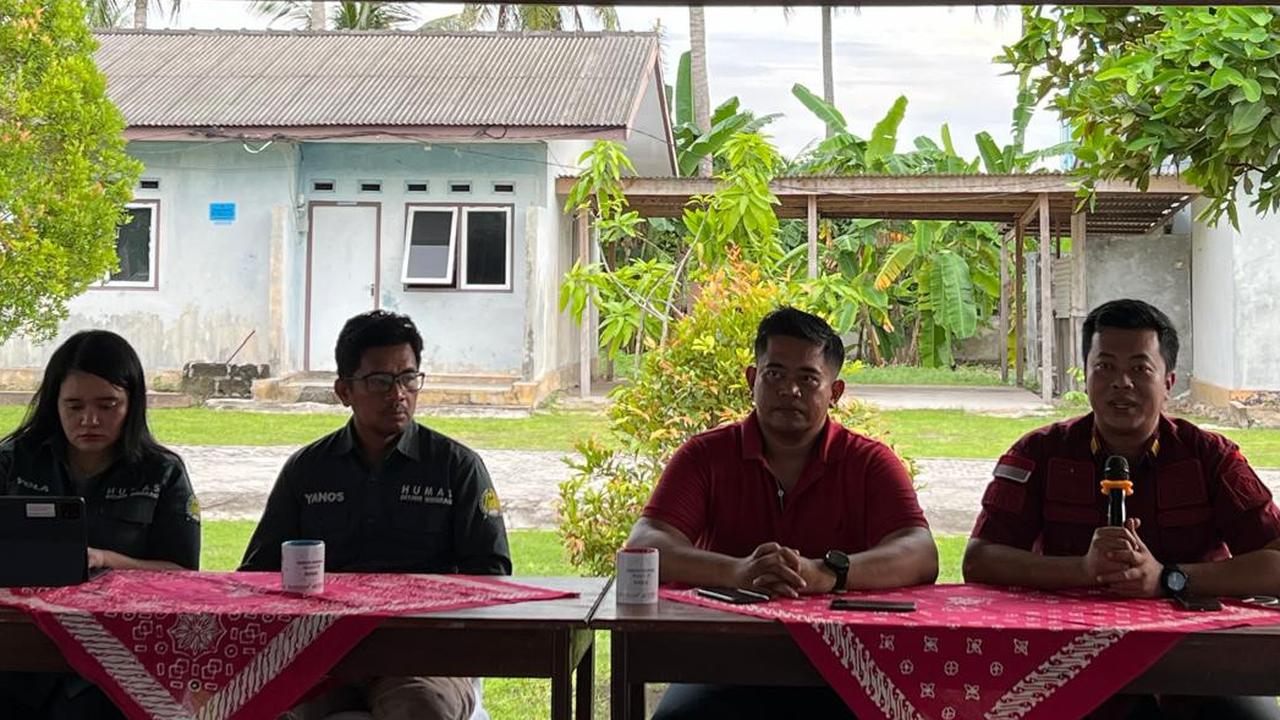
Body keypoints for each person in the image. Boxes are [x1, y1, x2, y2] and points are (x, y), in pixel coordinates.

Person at [964, 298, 1280, 719]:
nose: (1122, 384)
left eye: (1139, 369)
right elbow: (980, 559)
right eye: (1105, 367)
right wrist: (1082, 570)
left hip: (1198, 662)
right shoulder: (1040, 453)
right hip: (1070, 663)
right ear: (1086, 376)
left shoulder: (1210, 457)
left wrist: (1169, 578)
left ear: (1168, 381)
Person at [626, 307, 938, 720]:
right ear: (752, 379)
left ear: (835, 391)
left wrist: (827, 574)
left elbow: (920, 552)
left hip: (849, 665)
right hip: (724, 660)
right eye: (775, 374)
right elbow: (646, 544)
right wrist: (738, 572)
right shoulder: (705, 457)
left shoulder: (869, 462)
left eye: (808, 379)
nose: (789, 390)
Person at [240, 310, 510, 720]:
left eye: (408, 378)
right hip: (321, 655)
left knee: (421, 709)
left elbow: (491, 574)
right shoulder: (308, 470)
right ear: (343, 390)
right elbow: (257, 572)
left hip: (423, 656)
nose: (398, 394)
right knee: (257, 708)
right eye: (380, 381)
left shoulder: (457, 468)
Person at [0, 330, 201, 719]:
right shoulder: (14, 461)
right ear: (53, 404)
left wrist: (106, 559)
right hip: (17, 645)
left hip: (119, 659)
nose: (89, 420)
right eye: (73, 406)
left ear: (132, 403)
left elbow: (183, 575)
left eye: (108, 405)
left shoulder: (162, 473)